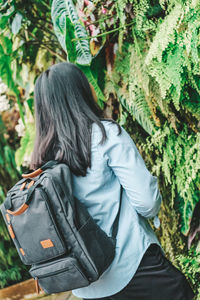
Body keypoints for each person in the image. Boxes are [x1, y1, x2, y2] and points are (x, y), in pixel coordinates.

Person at [30, 62, 195, 300]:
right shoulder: (105, 135)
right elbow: (147, 202)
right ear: (80, 92)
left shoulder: (40, 161)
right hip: (133, 265)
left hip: (87, 284)